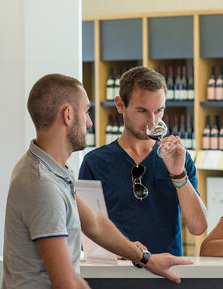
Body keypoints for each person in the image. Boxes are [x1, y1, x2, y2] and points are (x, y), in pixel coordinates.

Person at [0, 74, 191, 289]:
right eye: (85, 112)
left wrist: (144, 257)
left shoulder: (54, 172)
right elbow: (66, 286)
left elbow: (95, 223)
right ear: (67, 115)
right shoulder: (42, 184)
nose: (89, 120)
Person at [79, 66, 207, 256]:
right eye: (142, 111)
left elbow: (198, 228)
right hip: (117, 275)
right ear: (120, 105)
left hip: (169, 277)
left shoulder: (179, 159)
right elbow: (84, 234)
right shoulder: (95, 162)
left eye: (159, 111)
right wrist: (123, 250)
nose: (152, 121)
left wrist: (178, 173)